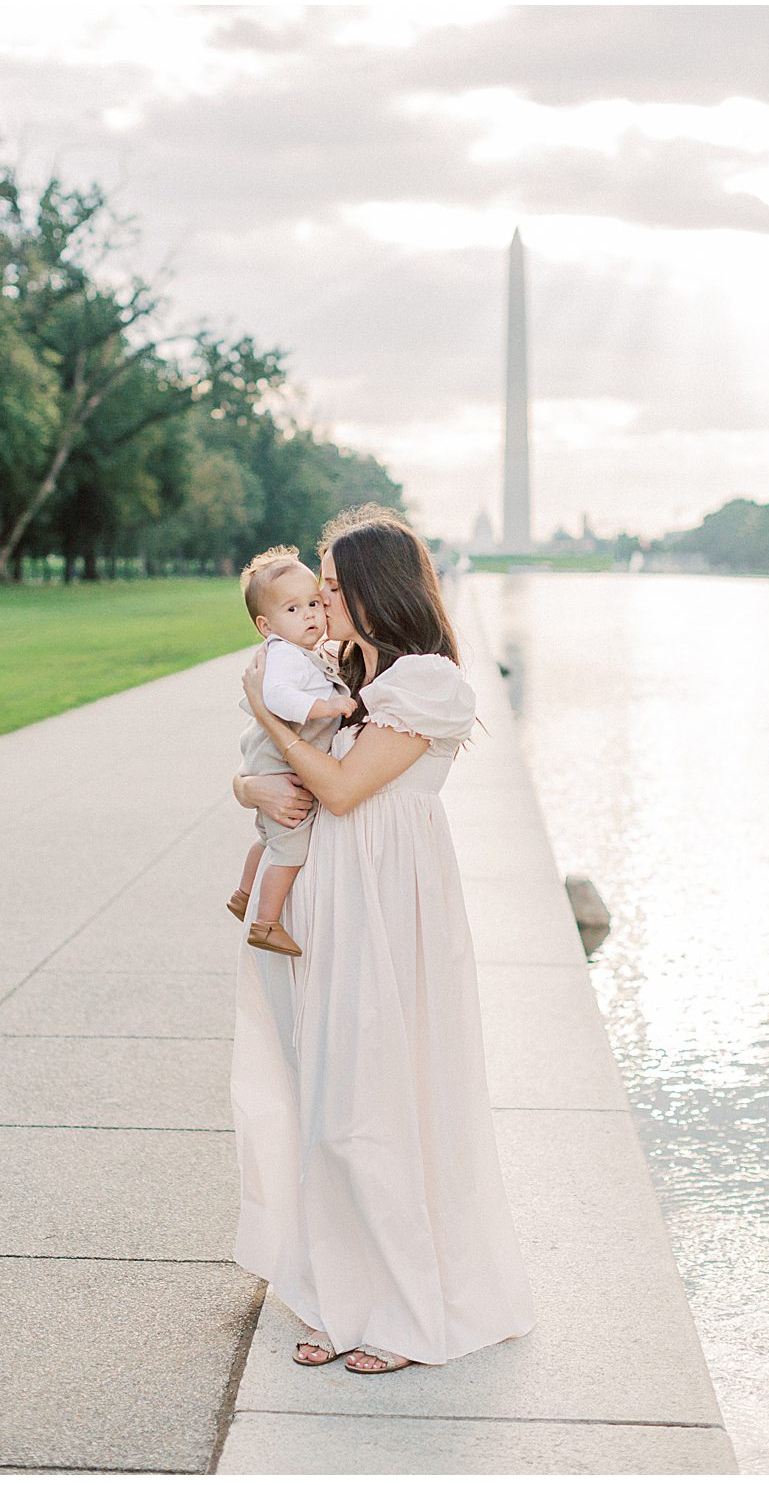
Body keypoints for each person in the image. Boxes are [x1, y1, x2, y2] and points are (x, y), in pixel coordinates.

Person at [230, 505, 537, 1374]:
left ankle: (404, 1310)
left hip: (389, 904)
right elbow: (272, 777)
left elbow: (335, 788)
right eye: (317, 589)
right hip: (331, 894)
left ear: (374, 589)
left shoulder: (428, 682)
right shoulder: (339, 671)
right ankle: (339, 1295)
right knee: (326, 1100)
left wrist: (268, 715)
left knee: (379, 1099)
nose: (319, 601)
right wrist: (248, 787)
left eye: (331, 586)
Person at [229, 546, 356, 957]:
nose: (311, 615)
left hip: (271, 763)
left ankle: (244, 894)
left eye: (315, 603)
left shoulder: (301, 653)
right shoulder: (284, 655)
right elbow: (280, 699)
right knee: (290, 848)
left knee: (266, 838)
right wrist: (330, 706)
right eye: (294, 609)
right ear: (266, 625)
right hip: (279, 763)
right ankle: (266, 922)